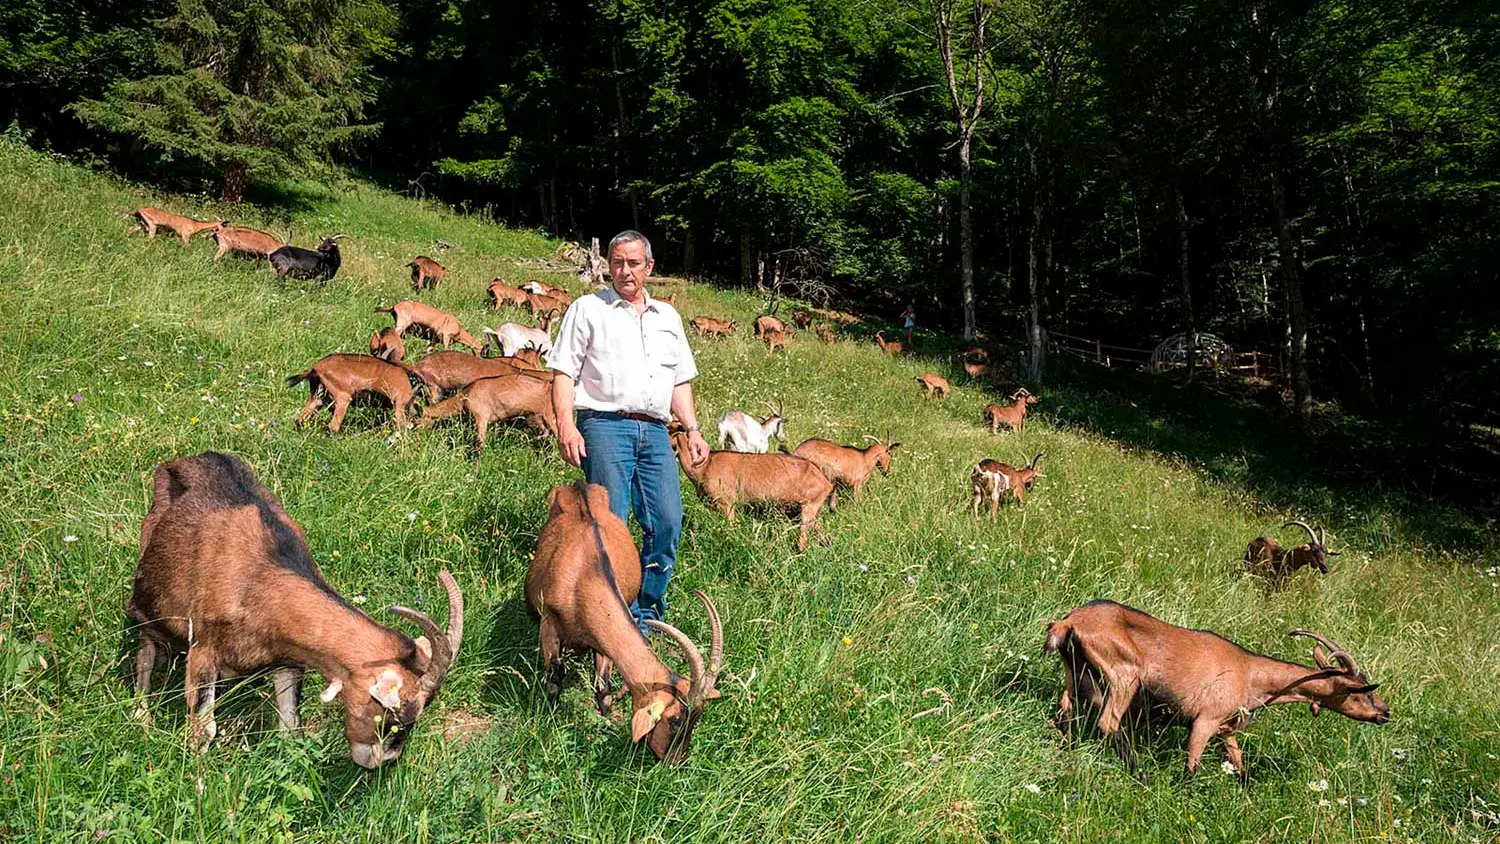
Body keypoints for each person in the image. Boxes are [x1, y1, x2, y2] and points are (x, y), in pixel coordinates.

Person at [548, 230, 711, 635]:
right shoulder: (588, 309)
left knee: (668, 521)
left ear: (649, 267)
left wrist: (692, 428)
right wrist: (566, 424)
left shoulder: (668, 318)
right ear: (607, 265)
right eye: (617, 262)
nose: (625, 271)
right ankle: (607, 619)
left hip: (657, 431)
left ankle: (647, 613)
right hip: (605, 426)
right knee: (609, 525)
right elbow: (563, 371)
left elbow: (679, 381)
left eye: (633, 263)